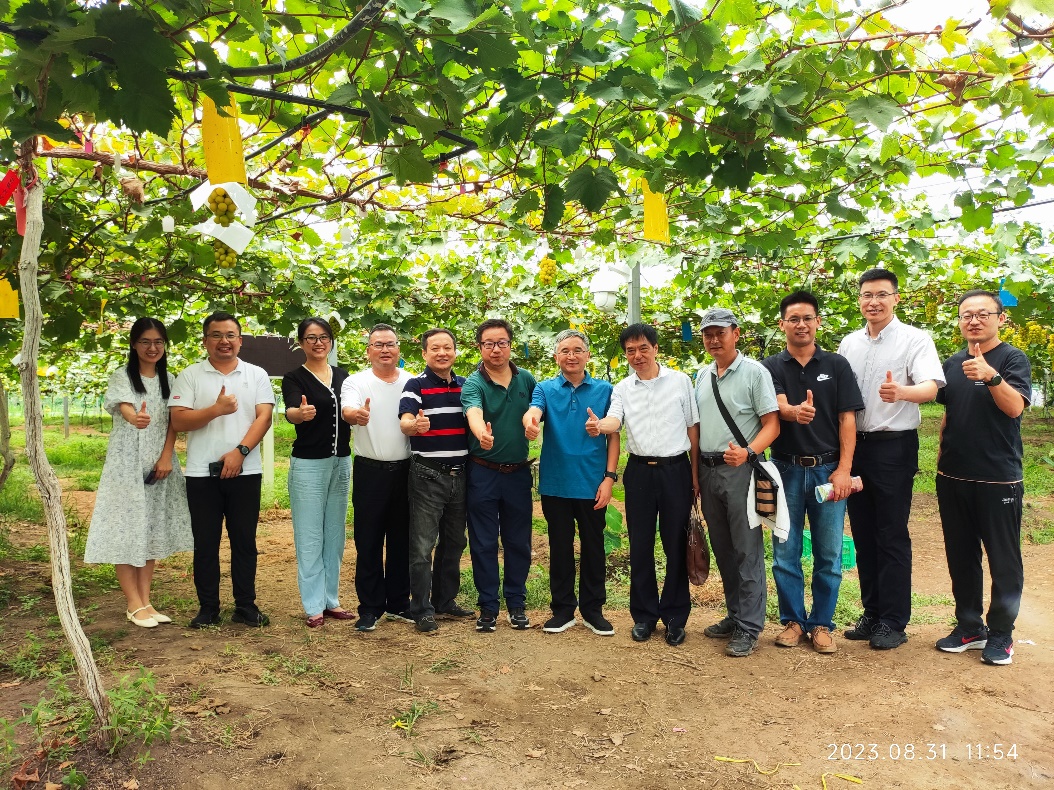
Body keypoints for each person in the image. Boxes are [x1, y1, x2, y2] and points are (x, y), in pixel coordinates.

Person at [837, 269, 945, 650]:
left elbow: (932, 388)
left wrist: (902, 392)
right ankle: (872, 612)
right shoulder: (849, 343)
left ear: (896, 298)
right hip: (855, 446)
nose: (874, 302)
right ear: (860, 299)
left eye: (882, 294)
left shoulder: (915, 339)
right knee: (863, 532)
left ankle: (894, 621)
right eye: (867, 295)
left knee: (891, 533)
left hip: (893, 446)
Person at [762, 292, 863, 654]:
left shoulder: (836, 365)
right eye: (793, 319)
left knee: (829, 553)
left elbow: (847, 419)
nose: (800, 324)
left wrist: (844, 470)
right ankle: (792, 621)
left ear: (818, 322)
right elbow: (774, 404)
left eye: (807, 318)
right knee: (784, 551)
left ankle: (822, 623)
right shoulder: (771, 366)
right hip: (785, 469)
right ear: (782, 324)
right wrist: (792, 412)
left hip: (828, 470)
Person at [935, 290, 1031, 666]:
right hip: (953, 477)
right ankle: (970, 626)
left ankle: (1002, 634)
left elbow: (1014, 408)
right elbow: (950, 415)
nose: (973, 321)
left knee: (1003, 560)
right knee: (961, 556)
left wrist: (992, 377)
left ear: (1000, 318)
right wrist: (942, 458)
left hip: (997, 480)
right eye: (966, 315)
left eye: (982, 314)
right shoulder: (953, 362)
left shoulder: (1012, 359)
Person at [85, 318, 192, 628]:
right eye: (146, 341)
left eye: (158, 342)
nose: (152, 347)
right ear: (134, 344)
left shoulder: (170, 378)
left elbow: (173, 422)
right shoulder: (122, 377)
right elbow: (126, 408)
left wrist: (166, 457)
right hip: (126, 464)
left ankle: (146, 600)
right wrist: (135, 419)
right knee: (127, 527)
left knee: (151, 528)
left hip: (160, 463)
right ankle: (133, 604)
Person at [170, 311, 275, 628]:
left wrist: (240, 452)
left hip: (245, 471)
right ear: (205, 341)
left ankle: (245, 605)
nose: (224, 341)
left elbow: (264, 417)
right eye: (216, 335)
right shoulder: (190, 375)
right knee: (206, 544)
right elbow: (178, 420)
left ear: (240, 341)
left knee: (244, 541)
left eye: (230, 335)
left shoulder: (256, 375)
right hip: (202, 474)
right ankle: (208, 608)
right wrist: (215, 409)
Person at [596, 323, 699, 647]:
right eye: (630, 351)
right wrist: (600, 425)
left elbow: (692, 428)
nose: (637, 355)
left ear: (655, 348)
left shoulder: (680, 381)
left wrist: (695, 478)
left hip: (675, 470)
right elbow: (615, 420)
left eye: (642, 348)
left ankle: (674, 618)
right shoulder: (623, 388)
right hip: (639, 472)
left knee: (674, 546)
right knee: (640, 546)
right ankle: (643, 616)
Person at [694, 308, 780, 658]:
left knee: (747, 549)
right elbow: (696, 430)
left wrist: (747, 452)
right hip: (708, 470)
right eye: (708, 334)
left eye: (720, 333)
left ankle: (749, 627)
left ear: (736, 334)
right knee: (723, 548)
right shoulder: (702, 376)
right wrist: (695, 476)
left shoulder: (755, 373)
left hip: (740, 470)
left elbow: (772, 425)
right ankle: (734, 614)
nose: (714, 340)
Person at [523, 330, 620, 636]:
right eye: (564, 350)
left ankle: (593, 611)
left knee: (594, 547)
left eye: (578, 350)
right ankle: (563, 610)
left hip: (593, 484)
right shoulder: (545, 388)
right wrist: (531, 422)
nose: (571, 355)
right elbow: (534, 410)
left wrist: (609, 478)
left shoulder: (605, 390)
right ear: (556, 357)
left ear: (587, 355)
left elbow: (614, 436)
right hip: (556, 484)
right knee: (560, 547)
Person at [461, 318, 537, 633]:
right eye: (489, 343)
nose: (496, 349)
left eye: (502, 342)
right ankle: (488, 607)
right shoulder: (473, 383)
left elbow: (537, 410)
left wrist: (533, 424)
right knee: (483, 542)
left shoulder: (528, 380)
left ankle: (516, 605)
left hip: (518, 473)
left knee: (518, 541)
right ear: (480, 348)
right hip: (483, 472)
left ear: (510, 345)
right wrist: (482, 434)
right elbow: (473, 413)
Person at [399, 328, 475, 633]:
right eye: (435, 348)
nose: (442, 353)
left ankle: (445, 601)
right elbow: (405, 421)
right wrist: (414, 425)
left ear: (455, 352)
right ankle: (421, 608)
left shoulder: (467, 386)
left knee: (455, 541)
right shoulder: (415, 384)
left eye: (447, 347)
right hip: (427, 475)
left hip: (461, 474)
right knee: (422, 545)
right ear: (425, 354)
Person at [340, 323, 413, 632]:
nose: (385, 349)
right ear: (368, 351)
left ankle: (398, 603)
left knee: (402, 540)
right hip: (370, 471)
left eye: (391, 344)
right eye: (378, 344)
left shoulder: (413, 381)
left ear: (399, 349)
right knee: (368, 541)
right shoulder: (356, 381)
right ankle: (370, 608)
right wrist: (355, 415)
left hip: (407, 471)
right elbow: (348, 410)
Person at [281, 318, 352, 629]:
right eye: (311, 337)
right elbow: (291, 410)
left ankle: (331, 600)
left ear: (331, 341)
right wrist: (300, 414)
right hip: (309, 464)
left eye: (324, 337)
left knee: (335, 534)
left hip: (341, 461)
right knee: (310, 535)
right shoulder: (294, 378)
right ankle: (313, 606)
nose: (318, 342)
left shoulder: (344, 377)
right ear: (301, 342)